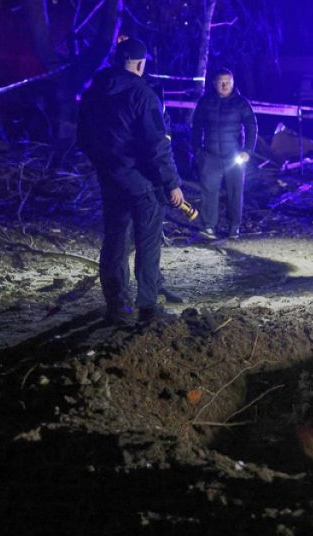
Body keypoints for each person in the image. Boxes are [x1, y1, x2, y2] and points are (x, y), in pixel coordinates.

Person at [77, 37, 184, 325]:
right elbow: (157, 145)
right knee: (147, 242)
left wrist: (106, 165)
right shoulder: (143, 94)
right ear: (140, 64)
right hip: (143, 183)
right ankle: (147, 306)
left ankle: (116, 304)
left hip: (110, 179)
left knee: (114, 240)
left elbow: (83, 138)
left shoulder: (93, 92)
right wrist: (171, 183)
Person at [191, 68, 257, 241]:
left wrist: (248, 151)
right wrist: (197, 151)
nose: (225, 85)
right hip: (210, 156)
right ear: (214, 83)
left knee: (235, 192)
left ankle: (234, 226)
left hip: (233, 157)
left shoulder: (241, 103)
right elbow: (196, 126)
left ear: (233, 83)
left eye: (228, 81)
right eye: (221, 81)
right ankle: (208, 226)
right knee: (209, 192)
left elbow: (251, 126)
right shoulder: (205, 102)